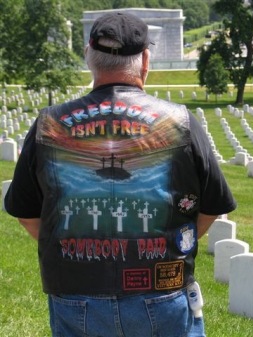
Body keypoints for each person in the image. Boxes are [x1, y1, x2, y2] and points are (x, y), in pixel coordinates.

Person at [5, 11, 236, 337]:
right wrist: (169, 244)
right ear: (145, 60)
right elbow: (213, 204)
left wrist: (74, 250)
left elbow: (25, 212)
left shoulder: (49, 124)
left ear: (88, 56)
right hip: (162, 287)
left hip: (75, 292)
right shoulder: (180, 122)